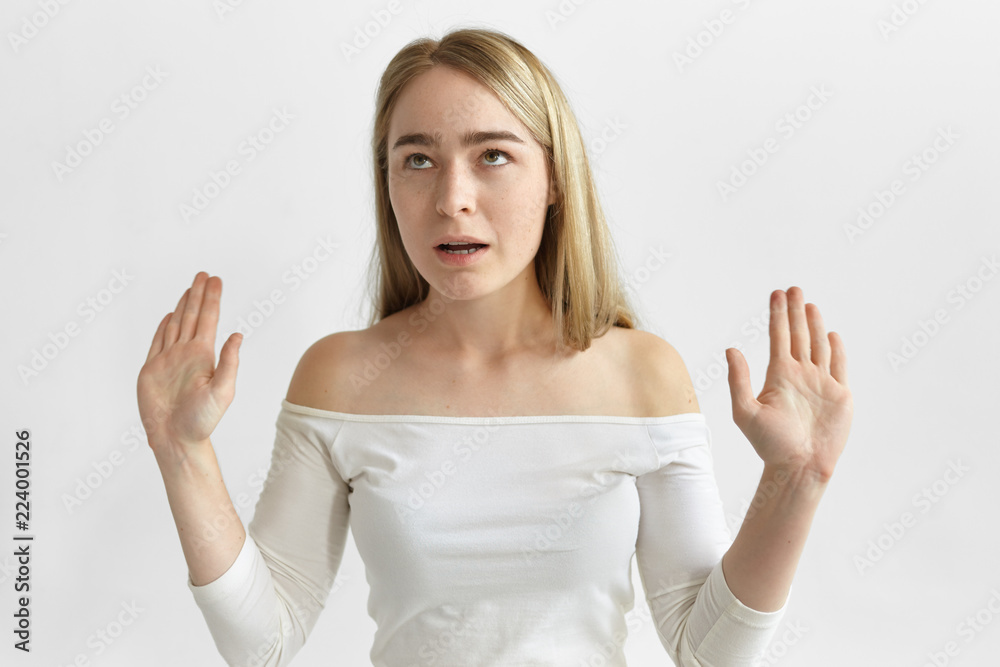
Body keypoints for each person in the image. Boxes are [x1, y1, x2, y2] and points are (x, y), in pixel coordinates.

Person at [137, 26, 853, 667]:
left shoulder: (641, 374)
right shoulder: (341, 376)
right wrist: (183, 452)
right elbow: (262, 640)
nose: (453, 197)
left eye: (493, 156)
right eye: (416, 160)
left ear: (553, 179)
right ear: (385, 182)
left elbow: (709, 651)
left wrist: (796, 479)